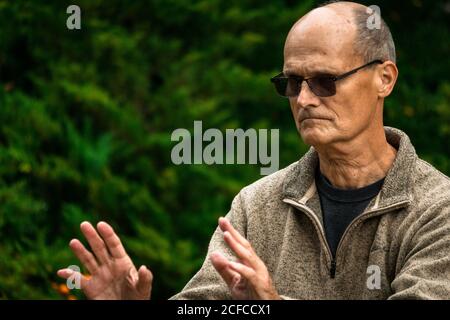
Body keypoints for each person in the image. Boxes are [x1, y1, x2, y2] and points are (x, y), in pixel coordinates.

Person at [57, 1, 450, 299]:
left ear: (384, 78)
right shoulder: (256, 204)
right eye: (292, 83)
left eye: (325, 81)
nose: (305, 99)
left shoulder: (438, 207)